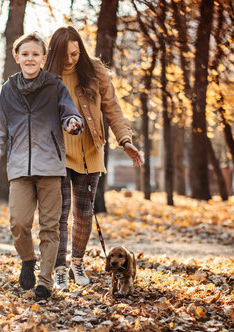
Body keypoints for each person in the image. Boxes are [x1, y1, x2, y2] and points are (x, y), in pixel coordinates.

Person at [44, 26, 144, 290]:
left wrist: (125, 141)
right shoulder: (46, 75)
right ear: (54, 52)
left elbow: (112, 107)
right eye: (64, 55)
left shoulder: (96, 70)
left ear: (81, 50)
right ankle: (59, 269)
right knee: (61, 214)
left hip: (90, 151)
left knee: (85, 214)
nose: (70, 60)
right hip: (58, 154)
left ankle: (77, 262)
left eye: (75, 54)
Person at [0, 32, 84, 299]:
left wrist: (73, 124)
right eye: (25, 54)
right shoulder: (8, 90)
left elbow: (70, 113)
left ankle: (45, 282)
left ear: (43, 58)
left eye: (35, 54)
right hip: (18, 168)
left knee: (51, 228)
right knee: (18, 223)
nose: (30, 58)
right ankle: (28, 260)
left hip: (51, 167)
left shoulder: (55, 86)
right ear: (17, 57)